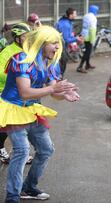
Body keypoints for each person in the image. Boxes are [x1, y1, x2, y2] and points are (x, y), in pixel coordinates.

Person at [0, 25, 79, 203]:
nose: (57, 47)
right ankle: (12, 197)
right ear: (41, 43)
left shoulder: (50, 62)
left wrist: (64, 94)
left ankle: (28, 188)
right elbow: (25, 93)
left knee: (46, 149)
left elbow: (53, 92)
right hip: (13, 108)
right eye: (53, 43)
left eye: (58, 43)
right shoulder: (21, 59)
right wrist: (53, 88)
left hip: (32, 109)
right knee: (21, 151)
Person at [0, 23, 32, 165]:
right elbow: (1, 72)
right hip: (5, 93)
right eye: (25, 37)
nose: (28, 40)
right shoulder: (7, 52)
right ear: (17, 38)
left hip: (20, 93)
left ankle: (20, 152)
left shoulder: (27, 51)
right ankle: (3, 149)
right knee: (8, 124)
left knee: (17, 124)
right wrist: (17, 77)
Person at [56, 8, 84, 77]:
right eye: (75, 14)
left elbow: (68, 35)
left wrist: (75, 37)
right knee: (62, 62)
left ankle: (59, 77)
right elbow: (65, 39)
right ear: (70, 15)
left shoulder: (67, 22)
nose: (76, 15)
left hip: (61, 46)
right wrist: (76, 39)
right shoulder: (65, 24)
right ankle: (59, 78)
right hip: (59, 46)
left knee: (63, 61)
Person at [77, 5, 99, 73]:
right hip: (89, 36)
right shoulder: (93, 18)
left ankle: (87, 64)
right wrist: (93, 39)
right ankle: (80, 67)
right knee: (87, 52)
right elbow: (92, 29)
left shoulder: (86, 15)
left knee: (87, 50)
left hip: (84, 34)